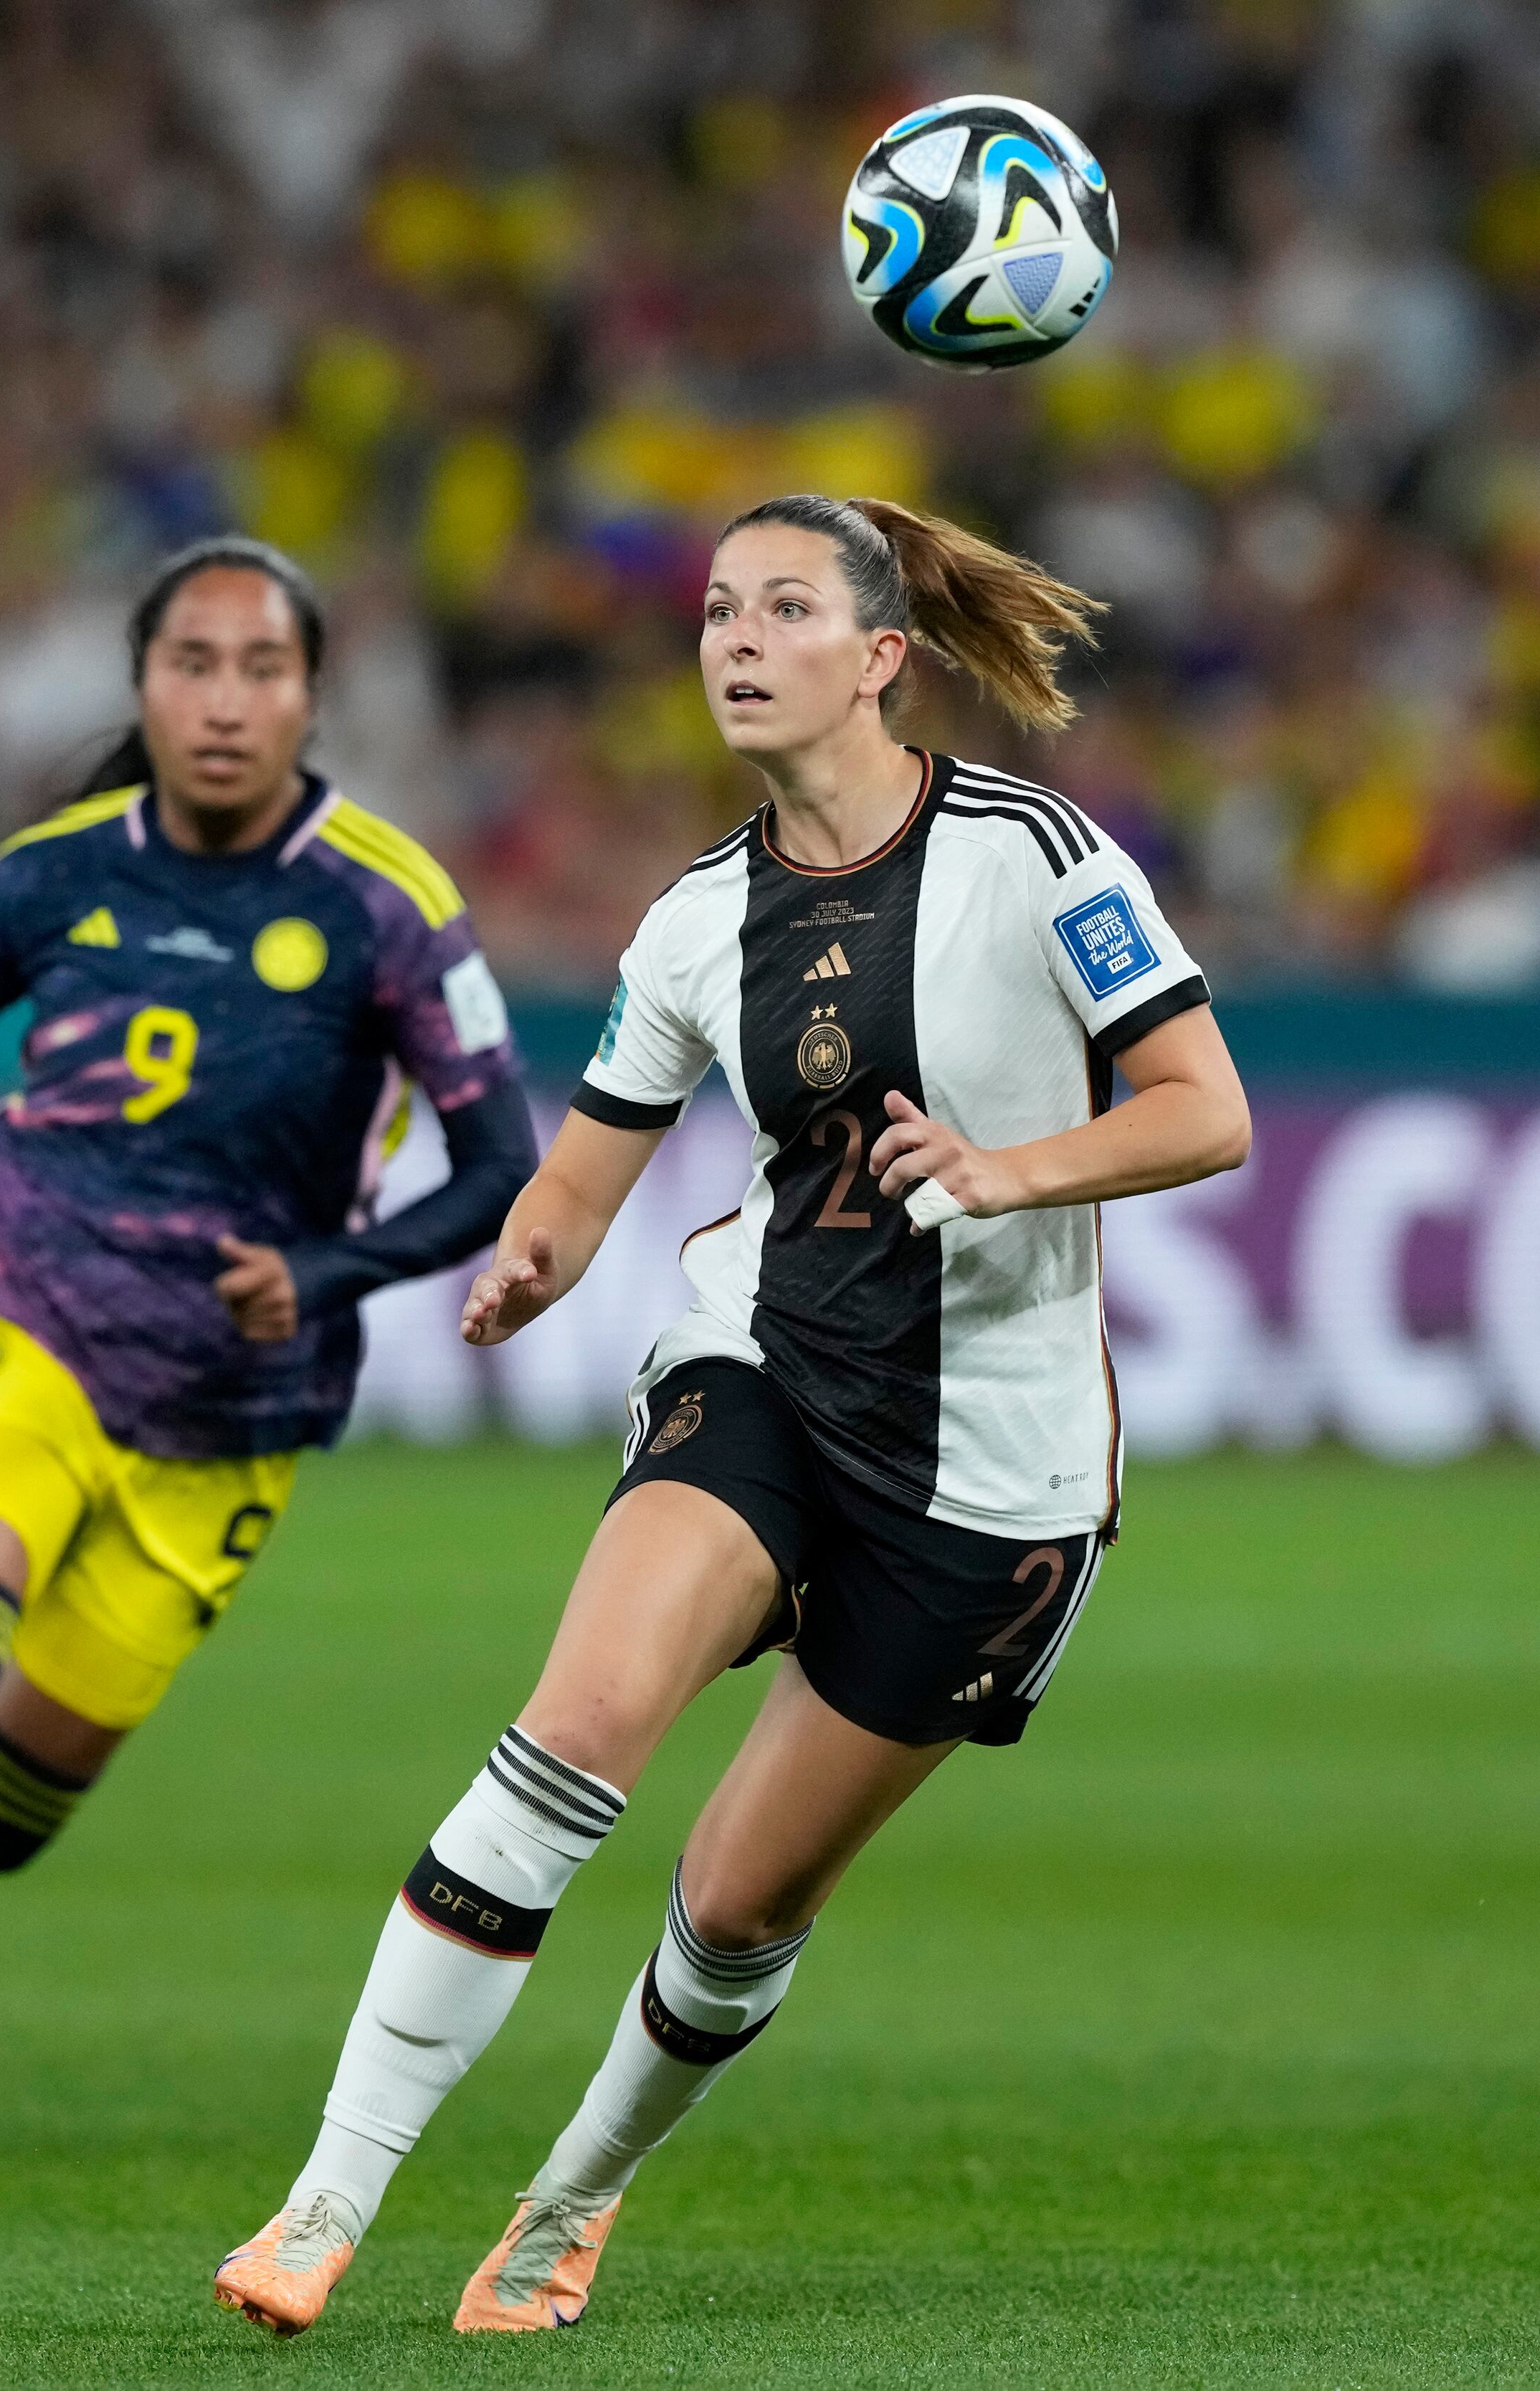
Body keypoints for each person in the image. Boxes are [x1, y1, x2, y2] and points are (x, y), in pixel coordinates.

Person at [209, 493, 1251, 2337]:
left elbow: (1201, 1108)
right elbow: (582, 1180)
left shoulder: (1043, 856)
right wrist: (520, 1260)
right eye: (713, 611)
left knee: (738, 1897)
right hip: (762, 1373)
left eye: (781, 607)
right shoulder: (697, 919)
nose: (735, 638)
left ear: (880, 658)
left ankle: (572, 2196)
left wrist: (1009, 1172)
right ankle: (322, 2200)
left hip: (994, 1476)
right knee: (580, 1722)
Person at [0, 536, 538, 2200]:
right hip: (20, 1311)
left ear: (311, 694)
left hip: (225, 1412)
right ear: (141, 685)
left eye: (260, 669)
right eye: (192, 664)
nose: (223, 702)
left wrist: (330, 1271)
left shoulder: (385, 901)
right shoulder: (53, 871)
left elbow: (499, 1161)